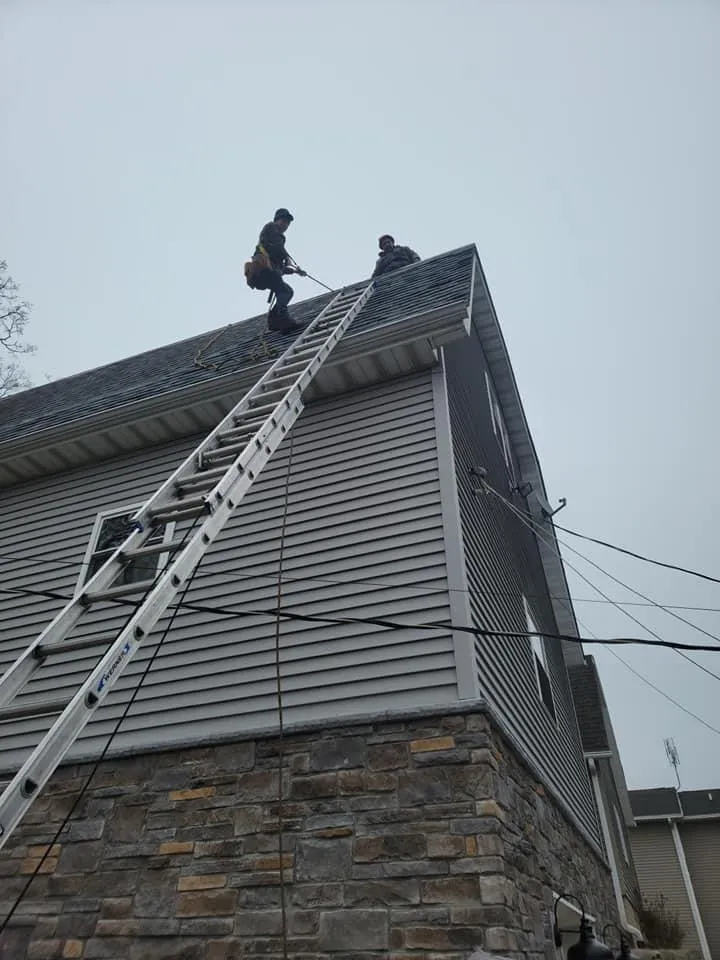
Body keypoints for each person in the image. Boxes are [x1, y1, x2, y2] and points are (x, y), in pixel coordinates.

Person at [245, 208, 306, 333]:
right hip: (263, 271)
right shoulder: (271, 227)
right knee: (284, 291)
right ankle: (282, 320)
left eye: (288, 224)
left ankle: (274, 321)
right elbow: (277, 247)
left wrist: (294, 271)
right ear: (277, 220)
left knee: (287, 291)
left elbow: (279, 267)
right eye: (284, 221)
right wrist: (287, 258)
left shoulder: (277, 242)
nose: (286, 225)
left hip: (268, 273)